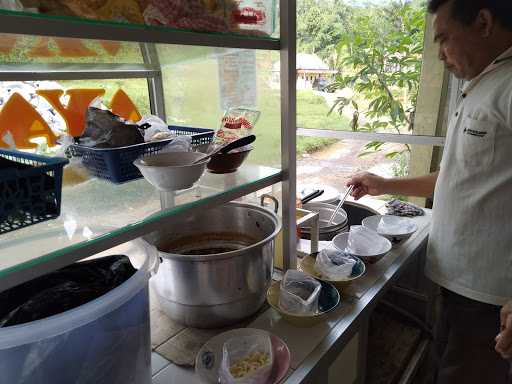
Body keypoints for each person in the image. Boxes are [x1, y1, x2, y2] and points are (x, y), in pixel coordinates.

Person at [346, 0, 512, 383]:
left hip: (488, 297)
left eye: (444, 39)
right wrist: (386, 185)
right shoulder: (483, 85)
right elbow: (457, 175)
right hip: (460, 284)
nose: (440, 54)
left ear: (483, 22)